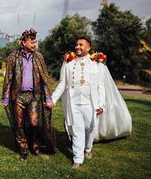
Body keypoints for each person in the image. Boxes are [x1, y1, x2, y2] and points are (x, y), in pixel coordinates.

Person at [52, 37, 132, 169]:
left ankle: (88, 148)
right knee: (77, 130)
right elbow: (62, 84)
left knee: (90, 128)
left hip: (91, 103)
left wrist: (101, 105)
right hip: (74, 103)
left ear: (88, 47)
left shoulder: (97, 65)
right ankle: (77, 159)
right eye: (76, 44)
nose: (77, 47)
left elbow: (101, 87)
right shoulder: (68, 64)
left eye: (81, 45)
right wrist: (53, 99)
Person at [2, 28, 55, 160]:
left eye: (35, 41)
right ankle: (23, 150)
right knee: (19, 124)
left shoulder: (39, 57)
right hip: (18, 96)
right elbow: (8, 77)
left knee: (34, 123)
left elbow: (44, 78)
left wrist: (48, 97)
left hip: (33, 96)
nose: (34, 44)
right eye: (32, 41)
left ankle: (35, 145)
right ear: (23, 42)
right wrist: (5, 98)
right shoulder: (13, 56)